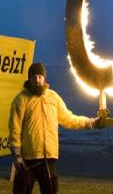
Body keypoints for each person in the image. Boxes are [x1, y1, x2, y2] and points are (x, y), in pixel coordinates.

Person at [8, 62, 105, 194]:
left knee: (51, 191)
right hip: (27, 159)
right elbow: (15, 129)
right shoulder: (21, 99)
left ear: (44, 78)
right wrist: (17, 157)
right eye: (34, 77)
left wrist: (91, 123)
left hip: (48, 157)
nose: (37, 80)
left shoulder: (53, 97)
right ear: (29, 78)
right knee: (21, 191)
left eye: (40, 76)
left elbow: (69, 119)